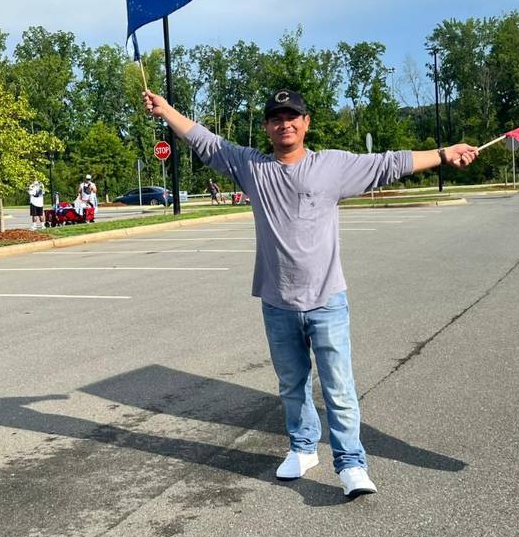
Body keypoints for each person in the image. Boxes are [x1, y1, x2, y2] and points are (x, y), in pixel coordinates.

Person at [143, 86, 478, 498]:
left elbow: (391, 163)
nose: (285, 123)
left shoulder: (332, 166)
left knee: (339, 388)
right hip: (277, 301)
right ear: (267, 127)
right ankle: (303, 448)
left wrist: (445, 153)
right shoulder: (252, 167)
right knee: (292, 384)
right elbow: (205, 140)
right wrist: (166, 110)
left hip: (327, 301)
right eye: (276, 118)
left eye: (292, 116)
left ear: (306, 124)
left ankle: (351, 464)